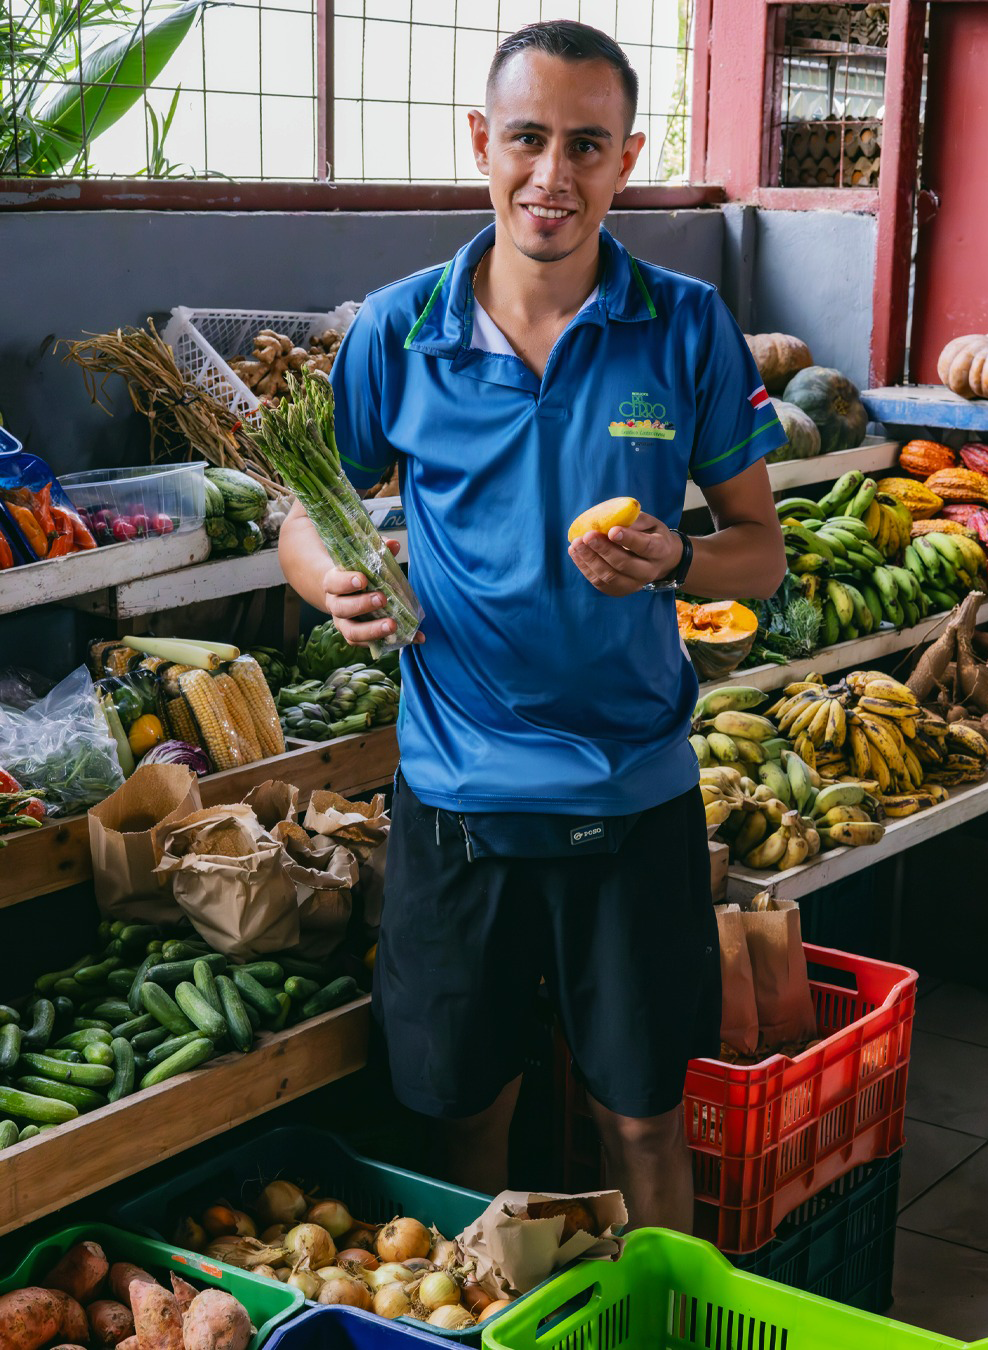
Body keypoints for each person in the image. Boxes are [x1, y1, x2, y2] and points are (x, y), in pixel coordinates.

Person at [279, 19, 787, 1231]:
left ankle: (659, 1316)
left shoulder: (686, 326)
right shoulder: (399, 332)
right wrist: (324, 575)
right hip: (459, 796)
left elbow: (759, 555)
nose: (551, 174)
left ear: (626, 161)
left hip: (634, 793)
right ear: (482, 143)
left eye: (586, 145)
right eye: (527, 138)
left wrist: (676, 562)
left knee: (645, 1115)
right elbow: (306, 505)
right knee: (465, 1110)